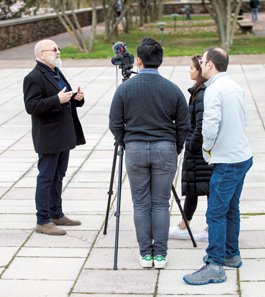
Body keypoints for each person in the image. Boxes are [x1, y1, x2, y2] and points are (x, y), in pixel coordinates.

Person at [109, 38, 190, 269]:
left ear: (139, 61)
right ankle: (160, 255)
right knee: (161, 204)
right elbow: (184, 125)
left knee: (141, 204)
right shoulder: (172, 89)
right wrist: (175, 148)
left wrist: (125, 142)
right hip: (165, 148)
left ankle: (146, 255)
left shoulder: (125, 88)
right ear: (160, 61)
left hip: (135, 149)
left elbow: (115, 122)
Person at [183, 47, 253, 285]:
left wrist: (207, 150)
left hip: (227, 161)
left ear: (210, 64)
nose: (200, 65)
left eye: (202, 61)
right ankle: (231, 254)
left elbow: (209, 127)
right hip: (242, 156)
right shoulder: (234, 86)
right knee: (231, 208)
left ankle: (215, 264)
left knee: (215, 212)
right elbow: (243, 120)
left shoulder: (213, 89)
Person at [23, 39, 86, 236]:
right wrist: (56, 100)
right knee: (46, 177)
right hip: (49, 136)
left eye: (58, 48)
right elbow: (31, 106)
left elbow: (63, 98)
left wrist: (76, 98)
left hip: (63, 135)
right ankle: (42, 221)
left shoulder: (56, 72)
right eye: (54, 49)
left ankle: (56, 214)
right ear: (42, 54)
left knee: (59, 176)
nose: (58, 51)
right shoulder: (33, 77)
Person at [169, 54, 212, 242]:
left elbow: (201, 124)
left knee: (205, 188)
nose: (189, 70)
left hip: (199, 150)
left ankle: (207, 228)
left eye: (192, 68)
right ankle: (185, 226)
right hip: (198, 149)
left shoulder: (202, 93)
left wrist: (191, 145)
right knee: (195, 188)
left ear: (200, 71)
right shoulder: (197, 91)